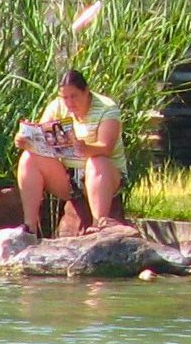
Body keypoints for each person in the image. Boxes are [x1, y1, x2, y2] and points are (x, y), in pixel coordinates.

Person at [17, 69, 125, 233]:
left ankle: (98, 224)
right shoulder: (57, 106)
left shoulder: (107, 108)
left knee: (97, 161)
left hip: (104, 175)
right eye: (65, 97)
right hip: (68, 176)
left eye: (73, 96)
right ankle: (29, 227)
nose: (69, 102)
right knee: (28, 158)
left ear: (86, 91)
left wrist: (86, 148)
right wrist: (26, 139)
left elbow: (106, 147)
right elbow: (42, 134)